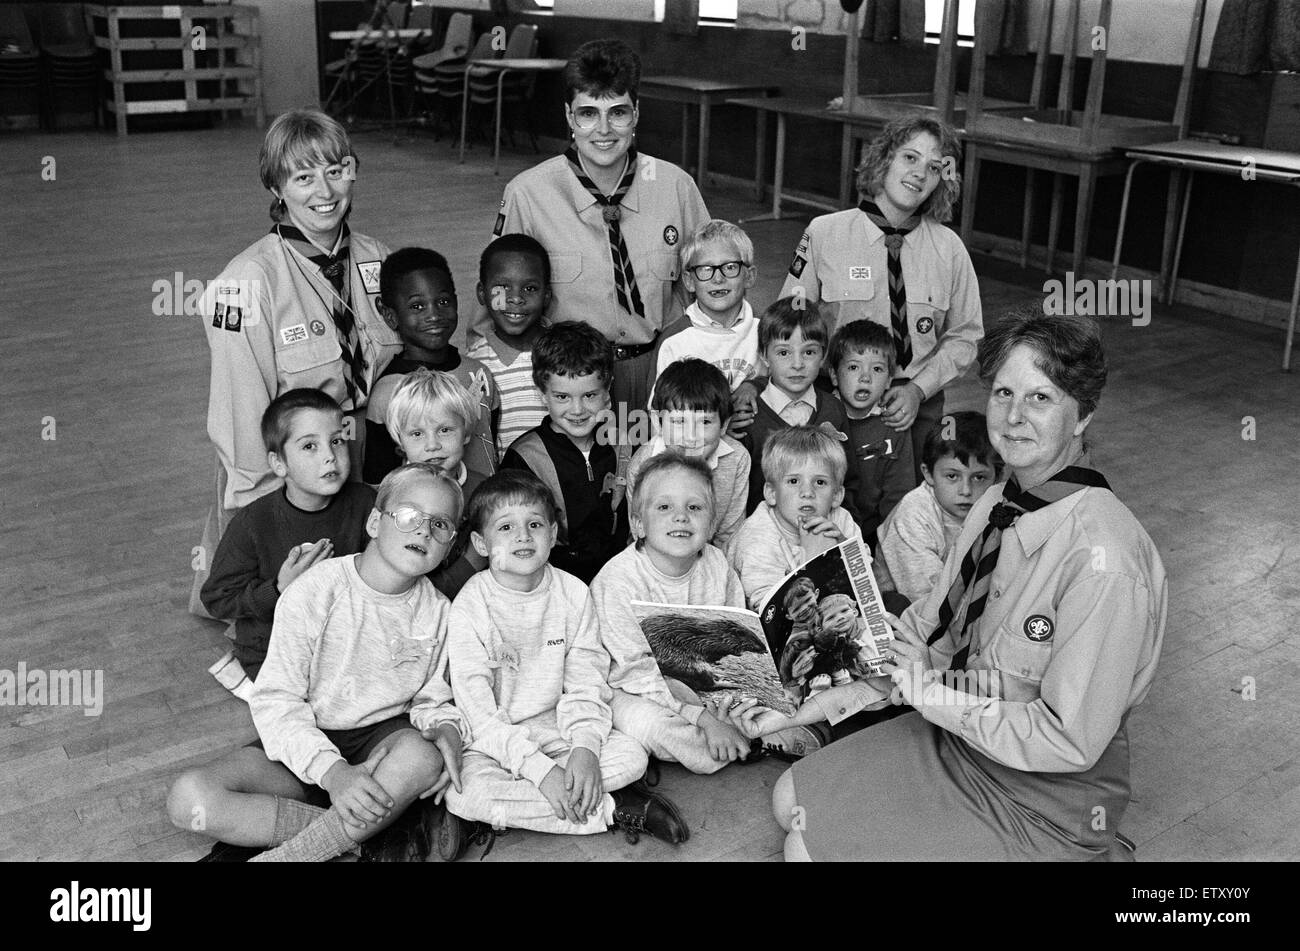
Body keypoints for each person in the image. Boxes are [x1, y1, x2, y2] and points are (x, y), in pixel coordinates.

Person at [769, 309, 1169, 862]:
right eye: (1004, 392)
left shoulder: (1106, 563)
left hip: (1047, 791)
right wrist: (831, 695)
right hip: (963, 733)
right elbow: (929, 628)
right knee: (790, 799)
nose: (1013, 416)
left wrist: (928, 696)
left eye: (1041, 398)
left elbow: (1069, 741)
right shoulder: (995, 504)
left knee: (804, 853)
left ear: (1084, 415)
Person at [168, 463, 467, 862]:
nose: (423, 531)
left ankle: (296, 854)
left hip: (381, 747)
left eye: (440, 524)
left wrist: (445, 727)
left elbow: (433, 698)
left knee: (424, 758)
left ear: (450, 542)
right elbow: (277, 701)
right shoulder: (316, 589)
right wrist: (333, 773)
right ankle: (368, 839)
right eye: (410, 515)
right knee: (189, 798)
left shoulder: (440, 612)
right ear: (376, 522)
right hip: (305, 742)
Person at [193, 108, 401, 617]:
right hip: (295, 466)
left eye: (336, 170)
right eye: (303, 177)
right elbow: (242, 417)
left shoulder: (382, 260)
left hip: (371, 453)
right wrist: (273, 521)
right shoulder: (241, 285)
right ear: (276, 188)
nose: (324, 191)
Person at [444, 470, 688, 846]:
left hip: (560, 725)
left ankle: (539, 803)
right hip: (496, 739)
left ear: (553, 534)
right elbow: (478, 715)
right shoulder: (470, 606)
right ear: (480, 542)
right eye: (505, 527)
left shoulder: (573, 593)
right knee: (465, 793)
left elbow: (586, 680)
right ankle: (613, 809)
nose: (523, 536)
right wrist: (539, 771)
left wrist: (586, 747)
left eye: (535, 524)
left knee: (632, 756)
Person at [478, 38, 710, 417]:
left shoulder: (675, 186)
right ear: (569, 116)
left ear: (636, 114)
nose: (604, 130)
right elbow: (497, 299)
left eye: (617, 112)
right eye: (588, 113)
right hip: (573, 383)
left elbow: (712, 282)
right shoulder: (529, 193)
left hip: (662, 370)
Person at [591, 454, 824, 775]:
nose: (681, 518)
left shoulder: (715, 564)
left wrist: (732, 700)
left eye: (694, 507)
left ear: (711, 523)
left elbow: (736, 640)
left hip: (711, 686)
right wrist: (700, 716)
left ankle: (756, 731)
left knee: (791, 681)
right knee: (649, 725)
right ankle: (757, 737)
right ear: (638, 524)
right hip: (642, 690)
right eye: (664, 507)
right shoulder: (617, 580)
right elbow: (636, 673)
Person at [781, 113, 983, 481]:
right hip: (838, 406)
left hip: (917, 408)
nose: (921, 173)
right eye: (910, 157)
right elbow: (790, 323)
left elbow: (966, 335)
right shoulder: (825, 233)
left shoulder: (949, 248)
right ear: (883, 158)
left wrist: (918, 392)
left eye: (935, 167)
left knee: (911, 510)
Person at [200, 389, 375, 684]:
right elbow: (218, 599)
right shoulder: (253, 523)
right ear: (279, 463)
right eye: (310, 446)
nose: (330, 457)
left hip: (344, 643)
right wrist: (279, 588)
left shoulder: (365, 502)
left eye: (336, 441)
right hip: (274, 650)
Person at [501, 321, 629, 583]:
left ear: (608, 390)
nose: (578, 409)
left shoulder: (626, 446)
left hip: (620, 580)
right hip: (553, 585)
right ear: (542, 394)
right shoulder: (524, 457)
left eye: (590, 395)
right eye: (562, 397)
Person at [362, 247, 499, 482]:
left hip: (487, 508)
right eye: (417, 306)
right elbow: (378, 479)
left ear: (456, 302)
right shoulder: (388, 391)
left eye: (443, 301)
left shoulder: (479, 373)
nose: (434, 315)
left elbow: (491, 444)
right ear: (389, 314)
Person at [743, 297, 860, 520]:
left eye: (809, 352)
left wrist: (845, 530)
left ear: (823, 355)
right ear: (763, 356)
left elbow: (849, 479)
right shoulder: (748, 414)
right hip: (763, 540)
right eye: (784, 352)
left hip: (824, 534)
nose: (797, 364)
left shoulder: (833, 409)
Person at [728, 427, 866, 614]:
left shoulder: (841, 520)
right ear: (771, 493)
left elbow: (865, 590)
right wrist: (813, 564)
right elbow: (769, 613)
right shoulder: (757, 537)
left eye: (820, 482)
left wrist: (842, 552)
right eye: (793, 481)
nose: (807, 493)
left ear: (836, 495)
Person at [381, 368, 492, 599]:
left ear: (466, 433)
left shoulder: (484, 490)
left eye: (444, 430)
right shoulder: (389, 492)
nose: (433, 445)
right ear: (400, 441)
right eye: (417, 434)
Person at [626, 359, 751, 550]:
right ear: (658, 422)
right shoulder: (642, 464)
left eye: (705, 422)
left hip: (713, 560)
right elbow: (640, 535)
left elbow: (730, 536)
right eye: (679, 422)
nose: (692, 436)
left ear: (724, 424)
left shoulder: (737, 458)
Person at [879, 410, 1001, 603]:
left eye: (979, 477)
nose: (966, 490)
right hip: (908, 605)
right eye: (952, 476)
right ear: (928, 474)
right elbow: (926, 599)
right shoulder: (913, 513)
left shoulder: (996, 504)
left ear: (997, 479)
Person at [651, 219, 761, 431]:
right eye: (705, 269)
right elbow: (658, 417)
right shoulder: (674, 341)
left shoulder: (764, 329)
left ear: (749, 276)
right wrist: (717, 427)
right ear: (689, 281)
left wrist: (754, 385)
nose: (718, 279)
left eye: (730, 267)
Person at [829, 320, 916, 546]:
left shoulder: (893, 424)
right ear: (834, 375)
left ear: (889, 380)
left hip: (875, 533)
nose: (865, 377)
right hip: (827, 528)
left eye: (876, 369)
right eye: (853, 367)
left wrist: (886, 545)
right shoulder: (822, 417)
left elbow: (898, 495)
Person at [466, 234, 553, 459]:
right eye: (503, 287)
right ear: (482, 293)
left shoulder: (569, 350)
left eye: (530, 288)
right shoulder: (475, 366)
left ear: (547, 295)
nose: (515, 298)